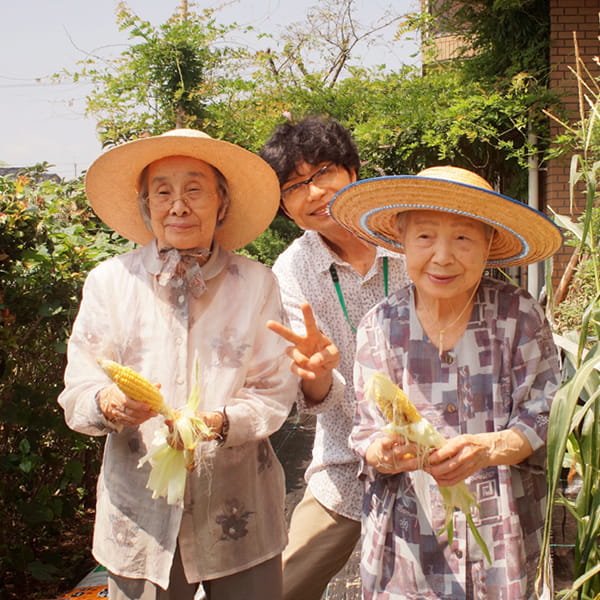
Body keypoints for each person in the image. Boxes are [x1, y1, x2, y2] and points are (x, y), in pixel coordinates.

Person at [57, 128, 298, 600]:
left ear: (221, 203)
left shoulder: (256, 284)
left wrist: (220, 422)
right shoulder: (110, 282)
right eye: (162, 192)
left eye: (194, 190)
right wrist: (108, 402)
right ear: (146, 205)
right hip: (141, 513)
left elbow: (274, 389)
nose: (178, 205)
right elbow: (77, 388)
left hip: (239, 509)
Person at [329, 166, 563, 600]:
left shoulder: (518, 315)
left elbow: (549, 412)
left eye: (462, 238)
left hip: (498, 537)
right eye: (424, 236)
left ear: (490, 242)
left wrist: (489, 448)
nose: (442, 256)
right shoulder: (380, 325)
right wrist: (384, 451)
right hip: (410, 546)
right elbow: (365, 432)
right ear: (400, 238)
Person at [260, 115, 409, 600]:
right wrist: (318, 375)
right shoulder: (291, 270)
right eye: (295, 185)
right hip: (347, 459)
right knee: (280, 586)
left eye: (323, 171)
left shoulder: (411, 236)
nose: (314, 192)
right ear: (283, 204)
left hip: (438, 452)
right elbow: (318, 399)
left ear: (352, 171)